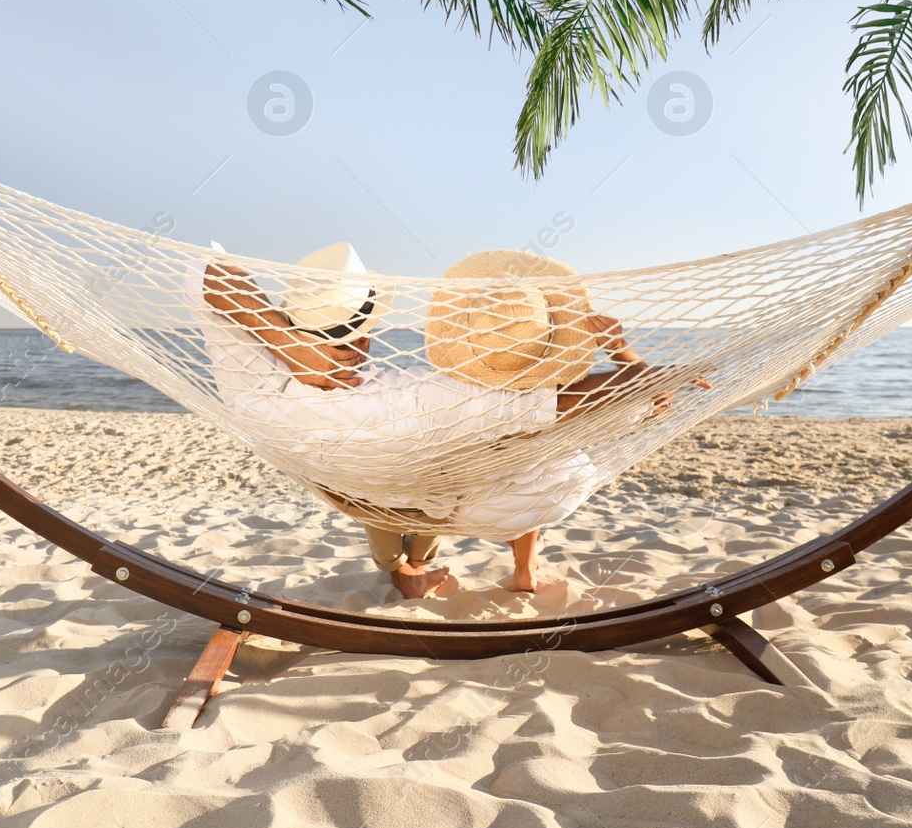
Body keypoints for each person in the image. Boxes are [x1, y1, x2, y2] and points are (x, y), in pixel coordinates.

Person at [193, 243, 695, 599]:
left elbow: (208, 270)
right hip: (454, 493)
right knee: (527, 447)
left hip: (363, 486)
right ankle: (520, 569)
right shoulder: (439, 399)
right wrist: (627, 353)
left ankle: (407, 574)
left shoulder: (260, 388)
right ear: (367, 337)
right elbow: (611, 399)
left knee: (474, 455)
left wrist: (286, 344)